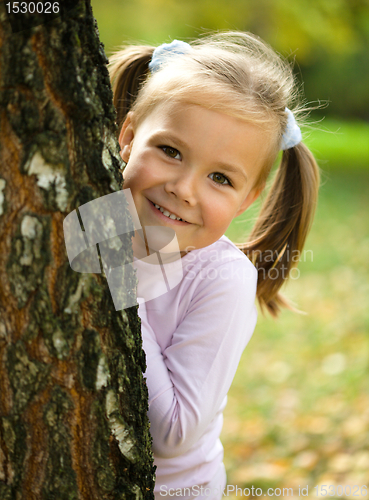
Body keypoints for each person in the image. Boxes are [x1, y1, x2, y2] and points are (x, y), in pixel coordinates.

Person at [108, 32, 320, 499]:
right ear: (127, 136)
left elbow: (172, 434)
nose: (184, 189)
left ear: (248, 198)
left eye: (219, 178)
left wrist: (123, 279)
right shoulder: (95, 215)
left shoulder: (223, 277)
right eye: (170, 151)